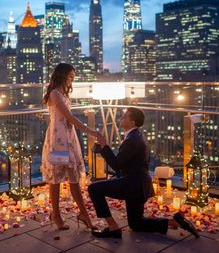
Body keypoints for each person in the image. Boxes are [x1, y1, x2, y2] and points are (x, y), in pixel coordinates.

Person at [89, 107, 199, 239]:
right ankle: (173, 222)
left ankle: (113, 227)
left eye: (124, 117)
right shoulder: (137, 135)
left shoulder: (131, 140)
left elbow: (117, 165)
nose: (120, 118)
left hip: (132, 185)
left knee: (94, 189)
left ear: (132, 122)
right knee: (136, 224)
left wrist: (104, 146)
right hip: (140, 185)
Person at [41, 63, 101, 230]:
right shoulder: (54, 94)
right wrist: (91, 131)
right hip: (58, 140)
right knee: (55, 180)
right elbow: (69, 118)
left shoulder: (63, 94)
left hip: (69, 138)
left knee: (74, 178)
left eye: (73, 78)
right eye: (70, 77)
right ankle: (56, 215)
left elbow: (70, 120)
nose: (71, 81)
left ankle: (85, 215)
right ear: (62, 75)